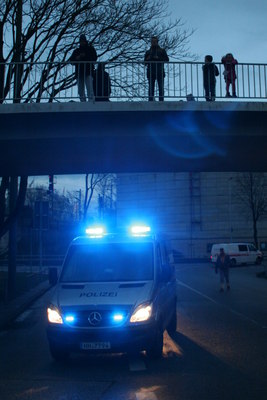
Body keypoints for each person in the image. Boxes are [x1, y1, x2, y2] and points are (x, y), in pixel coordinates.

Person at [70, 34, 97, 102]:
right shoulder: (77, 51)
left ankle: (91, 101)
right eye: (81, 41)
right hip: (79, 72)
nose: (82, 42)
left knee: (89, 88)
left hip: (88, 71)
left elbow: (94, 58)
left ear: (85, 41)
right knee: (80, 90)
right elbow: (71, 61)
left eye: (83, 41)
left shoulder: (90, 49)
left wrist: (85, 57)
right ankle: (83, 101)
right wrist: (78, 57)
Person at [144, 36, 169, 101]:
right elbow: (145, 63)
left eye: (154, 42)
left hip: (159, 71)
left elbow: (166, 60)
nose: (153, 43)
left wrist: (158, 58)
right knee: (151, 88)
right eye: (152, 42)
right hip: (151, 72)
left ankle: (161, 101)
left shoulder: (162, 51)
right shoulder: (148, 52)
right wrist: (148, 59)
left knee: (161, 87)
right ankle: (150, 100)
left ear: (157, 42)